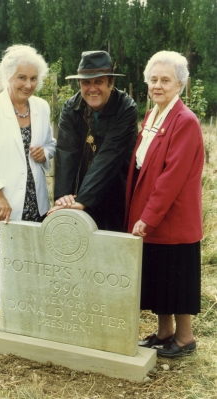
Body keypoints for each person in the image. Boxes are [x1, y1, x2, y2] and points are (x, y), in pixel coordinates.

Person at [0, 44, 56, 342]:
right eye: (21, 77)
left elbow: (51, 145)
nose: (28, 85)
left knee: (26, 258)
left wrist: (46, 153)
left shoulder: (41, 108)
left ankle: (21, 313)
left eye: (33, 78)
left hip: (33, 198)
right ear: (7, 76)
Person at [125, 51, 204, 357]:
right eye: (153, 79)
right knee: (159, 275)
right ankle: (164, 332)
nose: (158, 85)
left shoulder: (185, 121)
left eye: (165, 80)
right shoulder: (153, 115)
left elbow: (172, 176)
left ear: (180, 84)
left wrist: (150, 215)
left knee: (176, 277)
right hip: (152, 212)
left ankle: (184, 339)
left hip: (173, 216)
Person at [48, 50, 137, 232]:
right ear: (79, 83)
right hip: (81, 192)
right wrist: (64, 198)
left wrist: (83, 200)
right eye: (86, 82)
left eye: (99, 81)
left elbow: (109, 156)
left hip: (116, 191)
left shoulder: (126, 108)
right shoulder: (71, 108)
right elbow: (66, 153)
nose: (92, 88)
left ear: (110, 83)